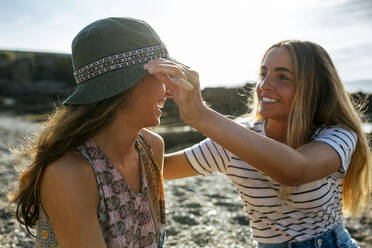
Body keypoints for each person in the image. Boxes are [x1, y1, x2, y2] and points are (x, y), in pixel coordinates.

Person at [144, 40, 372, 248]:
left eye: (283, 77)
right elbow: (159, 169)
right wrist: (130, 121)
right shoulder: (234, 140)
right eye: (264, 74)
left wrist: (202, 116)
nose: (264, 85)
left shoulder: (337, 134)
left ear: (314, 88)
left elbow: (296, 170)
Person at [9, 17, 170, 248]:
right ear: (126, 84)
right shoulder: (69, 173)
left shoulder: (153, 147)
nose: (169, 90)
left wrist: (201, 117)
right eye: (161, 75)